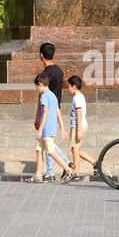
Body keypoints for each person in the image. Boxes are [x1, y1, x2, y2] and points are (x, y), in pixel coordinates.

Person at [26, 72, 74, 183]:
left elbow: (45, 113)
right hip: (51, 128)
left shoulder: (44, 96)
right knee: (38, 150)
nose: (37, 89)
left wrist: (40, 129)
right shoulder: (53, 95)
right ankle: (38, 175)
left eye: (36, 87)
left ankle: (69, 170)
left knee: (51, 152)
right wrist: (62, 128)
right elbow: (58, 112)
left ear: (40, 84)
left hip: (46, 129)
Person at [35, 42, 66, 179]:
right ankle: (53, 170)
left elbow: (41, 96)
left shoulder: (45, 74)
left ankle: (59, 167)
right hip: (56, 107)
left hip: (47, 110)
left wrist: (38, 117)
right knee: (47, 142)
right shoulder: (59, 71)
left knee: (48, 142)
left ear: (41, 56)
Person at [66, 76, 99, 179]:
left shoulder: (77, 98)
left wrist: (79, 130)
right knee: (75, 149)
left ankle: (76, 172)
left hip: (78, 126)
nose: (68, 88)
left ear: (74, 86)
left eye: (69, 86)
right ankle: (94, 162)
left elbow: (79, 114)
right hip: (77, 126)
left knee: (75, 149)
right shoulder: (79, 97)